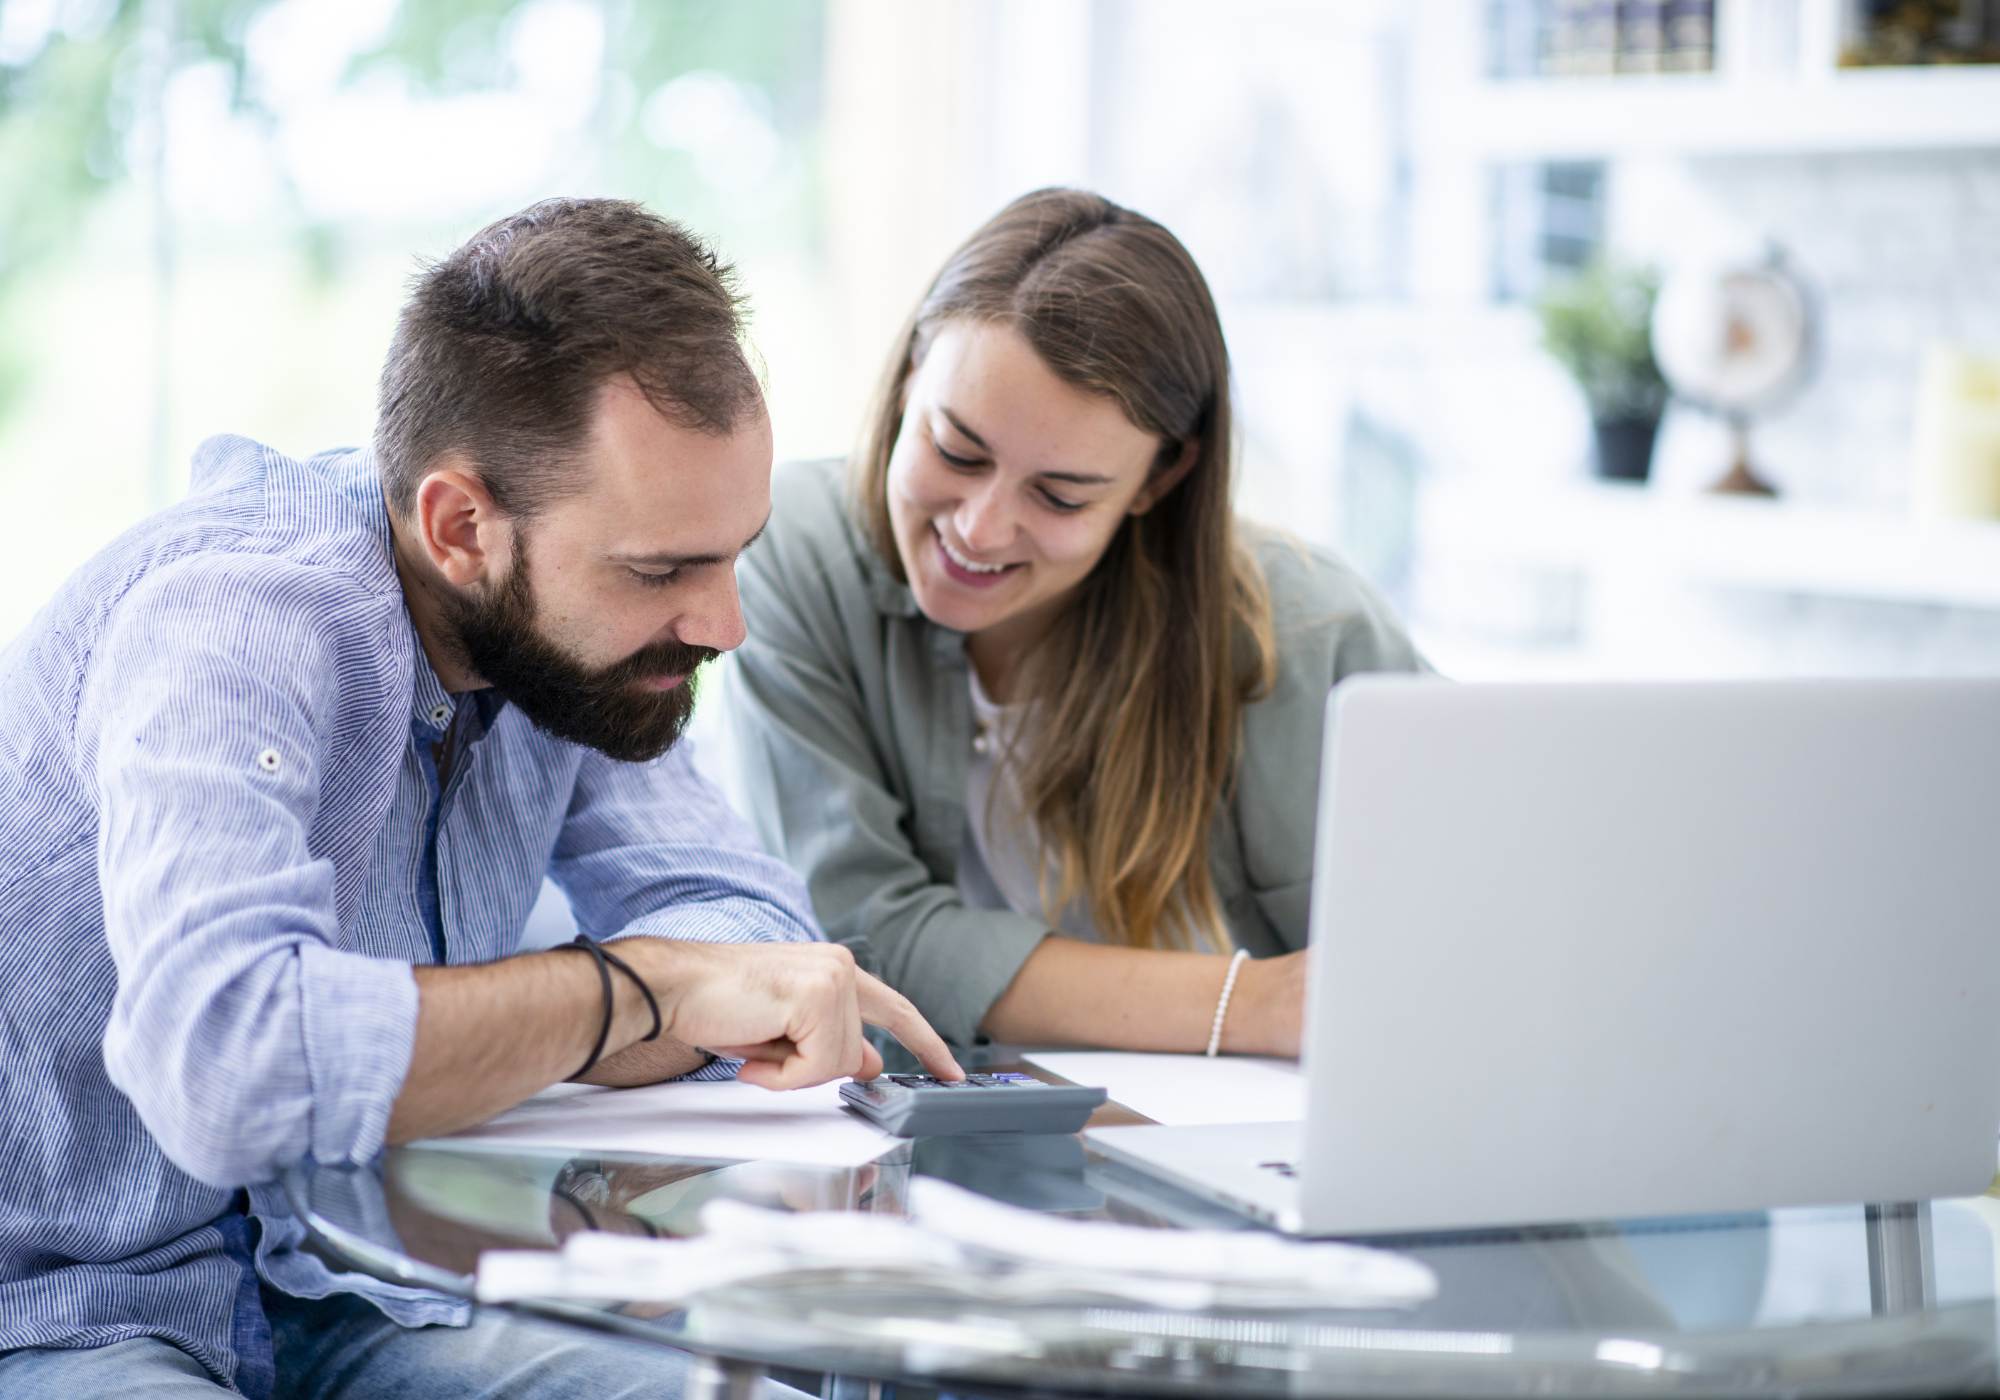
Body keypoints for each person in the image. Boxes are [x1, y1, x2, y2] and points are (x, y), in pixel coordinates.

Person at [0, 198, 959, 1400]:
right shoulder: (236, 624)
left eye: (731, 554)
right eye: (663, 570)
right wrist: (639, 992)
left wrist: (621, 1001)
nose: (723, 626)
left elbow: (744, 932)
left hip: (356, 1273)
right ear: (460, 527)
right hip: (63, 1300)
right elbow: (228, 1066)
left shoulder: (580, 650)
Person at [730, 188, 1427, 1056]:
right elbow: (856, 945)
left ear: (1157, 482)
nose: (979, 529)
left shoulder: (1313, 631)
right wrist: (1259, 1005)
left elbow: (1457, 943)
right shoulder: (791, 548)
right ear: (910, 377)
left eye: (1060, 495)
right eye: (956, 449)